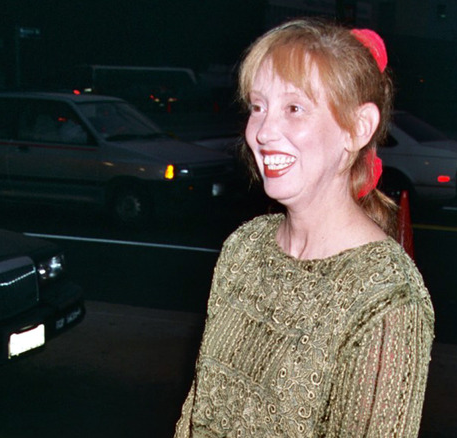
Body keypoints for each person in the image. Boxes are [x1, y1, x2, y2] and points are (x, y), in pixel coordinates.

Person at [174, 18, 434, 437]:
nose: (263, 132)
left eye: (294, 108)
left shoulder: (387, 299)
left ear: (357, 128)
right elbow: (196, 411)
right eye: (258, 107)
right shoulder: (244, 248)